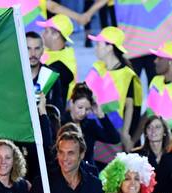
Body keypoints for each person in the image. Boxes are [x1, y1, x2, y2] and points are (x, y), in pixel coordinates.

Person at [86, 26, 142, 167]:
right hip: (94, 130)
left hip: (113, 134)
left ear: (109, 47)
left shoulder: (126, 74)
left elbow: (130, 105)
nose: (96, 48)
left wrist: (125, 133)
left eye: (99, 44)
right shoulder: (97, 68)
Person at [62, 82, 120, 166]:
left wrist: (101, 115)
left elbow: (114, 139)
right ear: (71, 103)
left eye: (87, 109)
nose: (83, 113)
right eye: (80, 107)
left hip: (87, 173)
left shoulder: (90, 125)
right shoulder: (60, 123)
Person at [36, 14, 77, 102]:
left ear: (56, 35)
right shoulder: (49, 50)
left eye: (46, 31)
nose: (42, 34)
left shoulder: (65, 63)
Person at [26, 31, 63, 114]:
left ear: (42, 50)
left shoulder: (51, 76)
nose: (33, 54)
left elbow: (58, 110)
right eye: (28, 48)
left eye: (37, 48)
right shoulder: (14, 75)